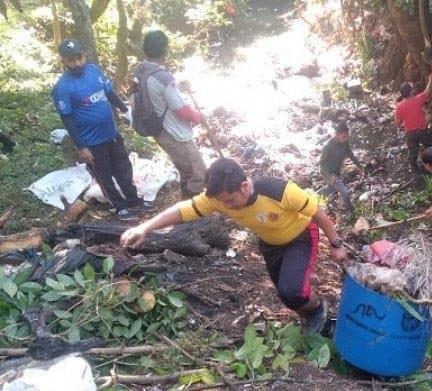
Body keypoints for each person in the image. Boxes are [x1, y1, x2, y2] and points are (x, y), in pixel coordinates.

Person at [120, 158, 347, 334]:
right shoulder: (218, 198)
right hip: (270, 244)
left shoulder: (279, 191)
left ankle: (319, 308)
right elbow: (182, 210)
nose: (227, 207)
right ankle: (309, 314)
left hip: (300, 238)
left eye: (230, 201)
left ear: (245, 187)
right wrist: (145, 228)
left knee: (292, 290)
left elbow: (317, 212)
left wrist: (336, 244)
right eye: (222, 202)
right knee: (285, 293)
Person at [51, 38, 142, 221]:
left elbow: (109, 93)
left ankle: (133, 200)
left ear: (84, 56)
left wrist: (125, 110)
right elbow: (67, 119)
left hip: (111, 133)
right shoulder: (63, 87)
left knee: (124, 167)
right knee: (104, 175)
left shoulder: (94, 71)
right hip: (91, 141)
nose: (77, 63)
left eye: (79, 58)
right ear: (64, 61)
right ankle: (120, 208)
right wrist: (82, 147)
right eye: (71, 60)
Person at [133, 30, 207, 199]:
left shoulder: (142, 70)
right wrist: (198, 117)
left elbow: (157, 94)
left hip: (158, 130)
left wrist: (177, 86)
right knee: (199, 173)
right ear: (165, 51)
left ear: (144, 51)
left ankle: (186, 204)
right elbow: (181, 110)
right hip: (174, 134)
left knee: (185, 170)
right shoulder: (163, 78)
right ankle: (191, 207)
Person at [394, 73, 432, 173]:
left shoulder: (399, 107)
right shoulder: (418, 99)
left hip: (410, 134)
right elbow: (428, 90)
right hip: (422, 131)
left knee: (413, 152)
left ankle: (415, 170)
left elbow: (397, 123)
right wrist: (430, 79)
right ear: (411, 91)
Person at [318, 122, 362, 213]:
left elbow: (351, 155)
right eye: (344, 136)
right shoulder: (327, 147)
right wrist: (330, 177)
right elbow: (321, 165)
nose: (345, 139)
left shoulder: (344, 143)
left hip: (336, 172)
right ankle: (351, 212)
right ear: (337, 134)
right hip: (328, 172)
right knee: (344, 192)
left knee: (331, 188)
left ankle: (314, 196)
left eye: (346, 137)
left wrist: (360, 166)